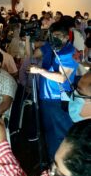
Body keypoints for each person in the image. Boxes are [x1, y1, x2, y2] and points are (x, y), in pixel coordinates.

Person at [27, 22, 77, 160]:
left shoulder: (71, 53)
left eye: (59, 36)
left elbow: (62, 78)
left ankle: (64, 162)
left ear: (67, 37)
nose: (55, 38)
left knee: (61, 133)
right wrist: (28, 39)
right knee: (49, 131)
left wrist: (39, 71)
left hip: (59, 98)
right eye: (53, 35)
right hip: (45, 97)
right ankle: (52, 160)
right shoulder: (49, 46)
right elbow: (33, 54)